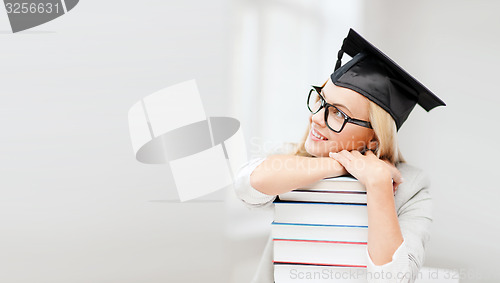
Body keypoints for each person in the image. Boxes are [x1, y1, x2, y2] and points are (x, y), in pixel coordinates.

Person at [234, 29, 446, 283]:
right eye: (321, 101)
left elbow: (395, 278)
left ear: (374, 137)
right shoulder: (292, 160)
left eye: (338, 113)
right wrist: (339, 164)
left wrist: (378, 183)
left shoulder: (411, 187)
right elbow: (247, 185)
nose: (316, 118)